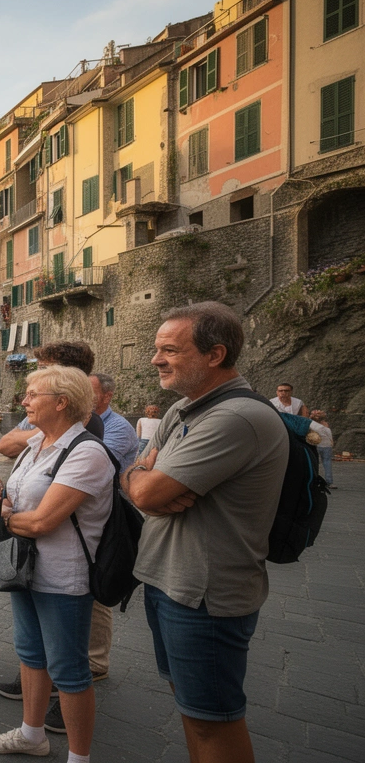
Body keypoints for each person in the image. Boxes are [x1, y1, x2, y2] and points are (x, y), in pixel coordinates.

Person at [125, 302, 289, 763]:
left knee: (213, 721)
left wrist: (143, 483)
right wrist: (141, 477)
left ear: (214, 355)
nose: (155, 358)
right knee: (192, 709)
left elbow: (147, 493)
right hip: (168, 582)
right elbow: (139, 475)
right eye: (157, 348)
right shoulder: (182, 410)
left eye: (169, 349)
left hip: (206, 594)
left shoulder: (234, 418)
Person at [0, 365, 114, 759]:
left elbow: (41, 521)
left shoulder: (87, 452)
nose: (24, 401)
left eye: (32, 394)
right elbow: (19, 503)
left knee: (69, 671)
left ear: (62, 401)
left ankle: (79, 757)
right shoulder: (36, 444)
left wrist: (2, 517)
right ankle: (31, 734)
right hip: (25, 569)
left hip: (63, 578)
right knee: (31, 656)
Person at [0, 342, 105, 458]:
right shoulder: (42, 410)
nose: (37, 373)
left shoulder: (89, 422)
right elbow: (4, 445)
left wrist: (32, 436)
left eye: (44, 368)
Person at [309, 410, 334, 488]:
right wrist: (331, 442)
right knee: (327, 463)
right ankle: (329, 481)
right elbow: (329, 435)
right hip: (326, 445)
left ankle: (314, 479)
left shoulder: (311, 424)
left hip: (316, 444)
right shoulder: (325, 425)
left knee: (315, 462)